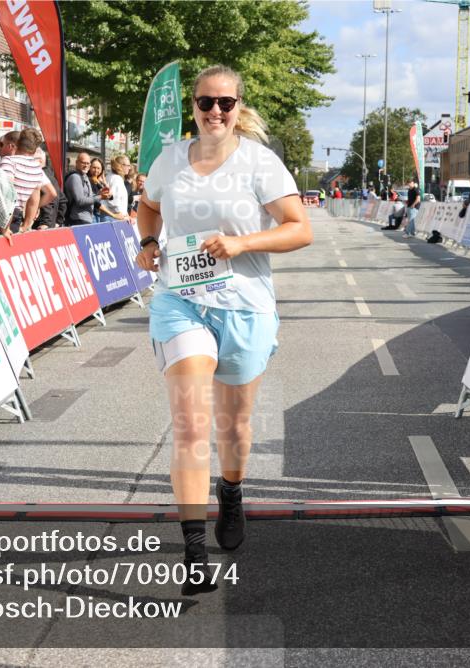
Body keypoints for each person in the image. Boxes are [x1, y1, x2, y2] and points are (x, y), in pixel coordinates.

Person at [135, 64, 312, 595]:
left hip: (244, 306)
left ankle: (230, 492)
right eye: (206, 102)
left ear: (239, 107)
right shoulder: (168, 161)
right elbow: (147, 208)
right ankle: (193, 553)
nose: (215, 112)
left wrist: (242, 244)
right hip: (180, 301)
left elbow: (299, 229)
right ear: (192, 105)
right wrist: (147, 244)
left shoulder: (260, 163)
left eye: (225, 103)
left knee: (233, 428)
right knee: (190, 424)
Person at [0, 128, 57, 231]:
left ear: (19, 142)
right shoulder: (36, 167)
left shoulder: (8, 161)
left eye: (1, 144)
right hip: (17, 217)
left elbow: (7, 193)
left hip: (3, 217)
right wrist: (25, 225)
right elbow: (45, 196)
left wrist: (5, 227)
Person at [64, 152, 109, 226]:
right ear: (77, 163)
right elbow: (80, 201)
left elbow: (88, 197)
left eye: (88, 163)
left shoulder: (84, 176)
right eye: (83, 163)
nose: (86, 165)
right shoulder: (75, 177)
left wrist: (99, 194)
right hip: (77, 219)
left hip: (86, 219)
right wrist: (100, 197)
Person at [88, 158, 117, 223]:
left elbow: (110, 197)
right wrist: (113, 215)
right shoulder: (88, 180)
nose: (96, 170)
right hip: (91, 215)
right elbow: (95, 202)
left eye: (98, 168)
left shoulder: (98, 181)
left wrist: (105, 184)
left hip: (98, 214)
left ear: (102, 170)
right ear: (89, 167)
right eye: (94, 167)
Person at [102, 154, 131, 220]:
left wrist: (126, 214)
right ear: (121, 166)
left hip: (113, 217)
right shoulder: (116, 179)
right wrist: (122, 215)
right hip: (113, 218)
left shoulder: (114, 177)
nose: (129, 168)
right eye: (128, 165)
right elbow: (113, 201)